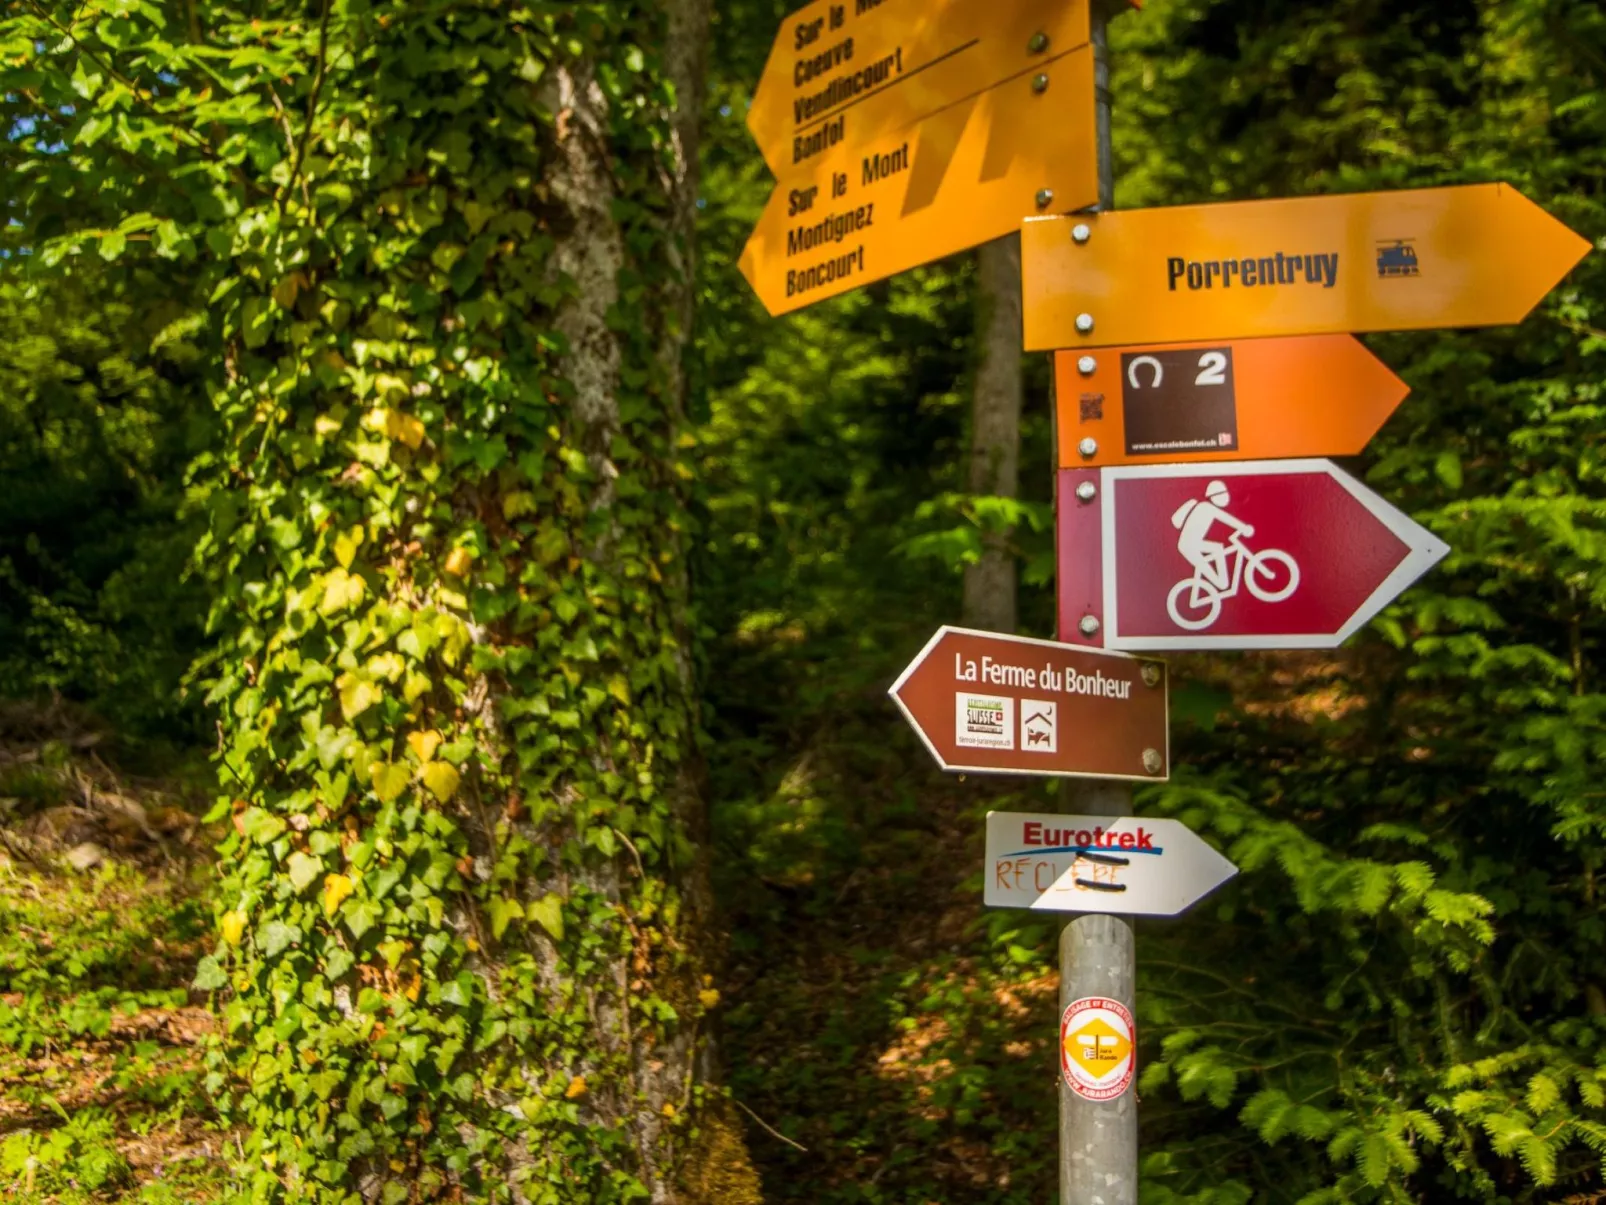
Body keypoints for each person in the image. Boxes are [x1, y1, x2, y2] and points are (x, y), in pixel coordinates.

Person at [1170, 480, 1254, 590]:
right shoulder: (1206, 507)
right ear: (1214, 496)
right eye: (1223, 494)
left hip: (1192, 544)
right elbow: (1226, 518)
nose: (1226, 497)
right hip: (1188, 546)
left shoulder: (1205, 507)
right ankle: (1221, 583)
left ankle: (1221, 582)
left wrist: (1242, 527)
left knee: (1217, 548)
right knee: (1216, 550)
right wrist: (1243, 527)